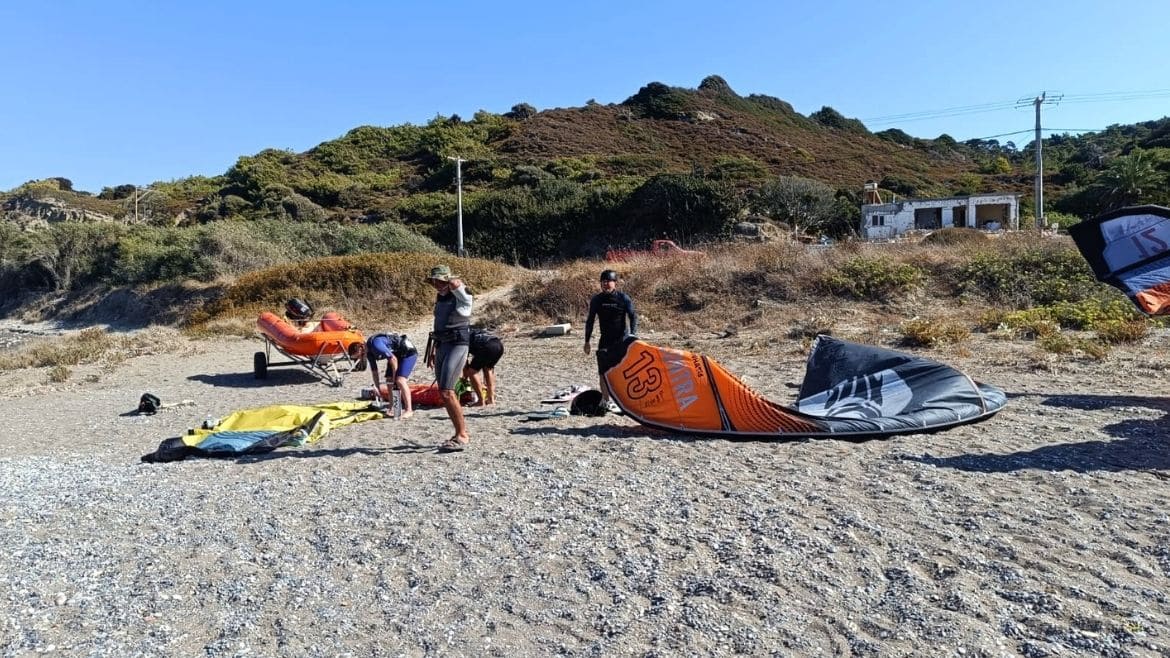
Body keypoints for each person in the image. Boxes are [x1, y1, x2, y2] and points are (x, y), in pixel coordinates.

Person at [426, 264, 473, 451]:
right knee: (443, 392)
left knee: (447, 391)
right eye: (435, 281)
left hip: (458, 344)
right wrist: (434, 349)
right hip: (442, 344)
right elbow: (439, 324)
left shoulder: (462, 298)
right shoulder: (440, 298)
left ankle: (462, 434)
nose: (437, 284)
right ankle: (458, 432)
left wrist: (455, 284)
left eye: (440, 280)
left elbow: (463, 292)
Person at [583, 269, 637, 413]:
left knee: (623, 372)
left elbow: (633, 316)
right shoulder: (597, 300)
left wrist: (632, 335)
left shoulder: (623, 298)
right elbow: (590, 321)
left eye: (609, 282)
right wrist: (587, 341)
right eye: (603, 282)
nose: (606, 285)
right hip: (605, 340)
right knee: (603, 372)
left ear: (615, 283)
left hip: (621, 341)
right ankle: (606, 401)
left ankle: (626, 402)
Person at [365, 332, 418, 419]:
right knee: (389, 379)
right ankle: (392, 407)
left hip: (408, 353)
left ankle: (409, 410)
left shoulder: (375, 344)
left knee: (399, 380)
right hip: (396, 354)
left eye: (359, 356)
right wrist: (378, 388)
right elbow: (374, 372)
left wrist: (395, 379)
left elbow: (393, 359)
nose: (361, 358)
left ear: (360, 348)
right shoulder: (369, 353)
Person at [463, 328, 504, 407]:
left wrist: (464, 379)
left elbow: (465, 363)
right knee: (488, 368)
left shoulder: (462, 339)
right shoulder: (474, 331)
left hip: (487, 346)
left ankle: (481, 401)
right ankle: (491, 399)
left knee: (472, 371)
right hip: (498, 345)